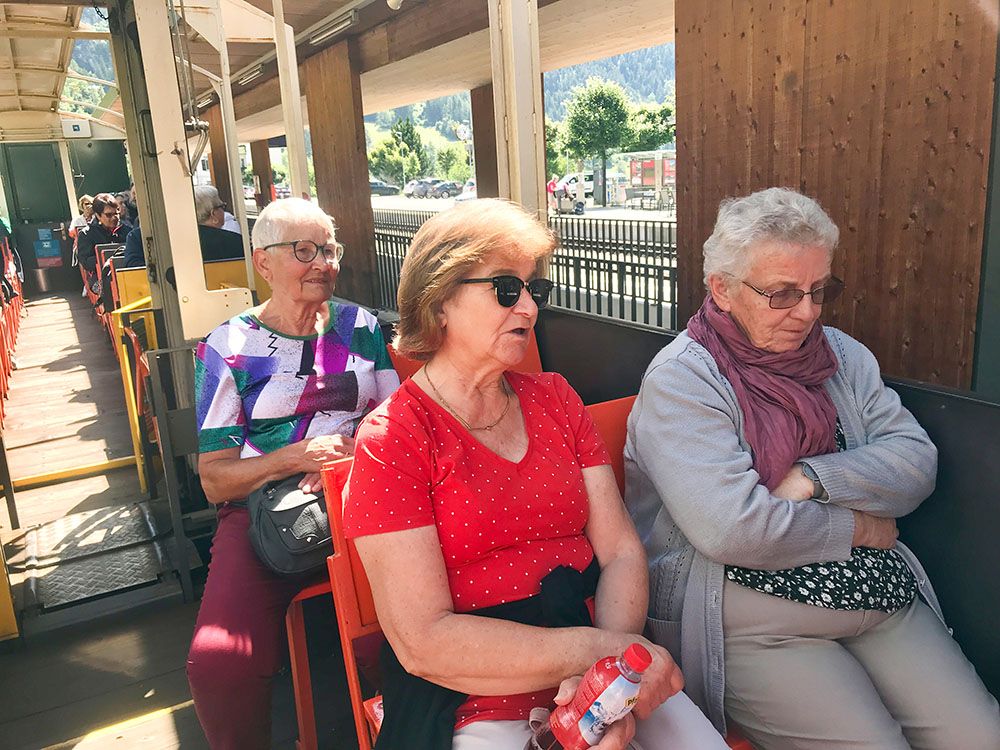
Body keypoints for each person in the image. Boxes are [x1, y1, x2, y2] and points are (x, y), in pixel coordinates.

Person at [625, 187, 1000, 750]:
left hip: (874, 592)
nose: (807, 312)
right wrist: (859, 527)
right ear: (722, 289)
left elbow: (915, 460)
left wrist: (814, 477)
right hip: (751, 617)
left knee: (980, 736)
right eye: (782, 294)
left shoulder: (841, 356)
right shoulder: (684, 380)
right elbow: (734, 529)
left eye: (819, 290)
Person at [344, 199, 726, 750]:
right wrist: (598, 655)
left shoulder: (555, 398)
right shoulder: (394, 440)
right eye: (506, 289)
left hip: (604, 663)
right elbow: (423, 641)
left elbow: (620, 551)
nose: (528, 307)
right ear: (440, 300)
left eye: (533, 290)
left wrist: (607, 686)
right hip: (474, 698)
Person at [186, 197, 400, 750]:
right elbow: (215, 478)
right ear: (263, 262)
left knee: (409, 624)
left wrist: (353, 450)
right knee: (219, 664)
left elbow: (396, 420)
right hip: (261, 510)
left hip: (362, 492)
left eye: (328, 249)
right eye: (303, 251)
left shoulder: (360, 327)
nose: (322, 263)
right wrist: (294, 457)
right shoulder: (227, 348)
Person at [76, 193, 128, 290]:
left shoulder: (127, 230)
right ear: (98, 215)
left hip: (126, 272)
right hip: (99, 277)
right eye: (109, 215)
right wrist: (108, 258)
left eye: (116, 213)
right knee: (108, 288)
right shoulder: (87, 234)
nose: (114, 218)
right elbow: (86, 262)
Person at [193, 185, 244, 262]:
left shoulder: (183, 241)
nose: (224, 211)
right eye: (222, 206)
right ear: (213, 214)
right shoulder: (233, 241)